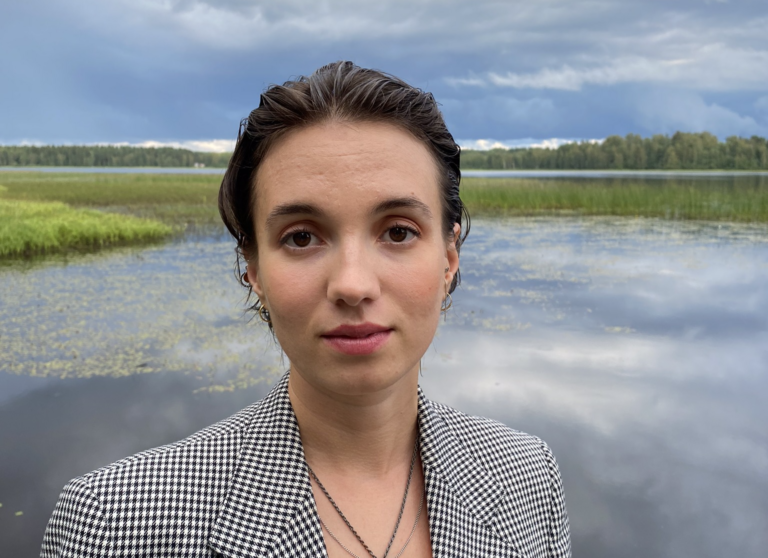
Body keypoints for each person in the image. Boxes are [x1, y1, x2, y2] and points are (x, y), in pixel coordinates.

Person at [41, 61, 570, 558]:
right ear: (253, 268)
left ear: (449, 258)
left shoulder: (527, 478)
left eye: (398, 232)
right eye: (301, 237)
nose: (353, 285)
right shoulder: (116, 523)